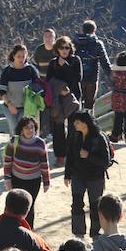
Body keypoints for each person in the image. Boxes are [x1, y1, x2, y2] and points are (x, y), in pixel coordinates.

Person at [64, 110, 110, 238]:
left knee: (95, 206)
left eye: (77, 122)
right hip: (78, 176)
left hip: (95, 178)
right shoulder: (75, 135)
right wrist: (67, 174)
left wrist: (88, 156)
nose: (74, 124)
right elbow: (70, 157)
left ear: (86, 123)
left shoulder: (99, 137)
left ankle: (95, 232)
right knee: (76, 204)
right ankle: (78, 233)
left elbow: (105, 162)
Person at [3, 116, 50, 229]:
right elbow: (7, 161)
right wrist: (7, 179)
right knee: (13, 206)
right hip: (17, 179)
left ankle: (28, 232)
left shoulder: (40, 143)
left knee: (29, 207)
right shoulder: (14, 141)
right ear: (21, 129)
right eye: (26, 128)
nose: (30, 130)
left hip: (33, 181)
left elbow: (44, 163)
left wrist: (46, 181)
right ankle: (11, 229)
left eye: (32, 127)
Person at [46, 36, 83, 167]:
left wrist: (65, 66)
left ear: (70, 48)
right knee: (58, 128)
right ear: (57, 49)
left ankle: (73, 155)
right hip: (58, 100)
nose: (64, 50)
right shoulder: (53, 63)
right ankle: (60, 156)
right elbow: (49, 82)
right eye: (61, 47)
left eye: (67, 47)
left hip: (73, 98)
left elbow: (77, 78)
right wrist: (59, 90)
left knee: (74, 127)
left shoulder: (75, 60)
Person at [0, 44, 42, 136]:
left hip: (26, 108)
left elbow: (38, 87)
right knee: (14, 132)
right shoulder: (7, 71)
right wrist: (9, 104)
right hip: (10, 107)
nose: (21, 59)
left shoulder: (31, 70)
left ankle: (25, 149)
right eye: (19, 56)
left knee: (25, 132)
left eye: (23, 56)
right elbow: (2, 91)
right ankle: (14, 149)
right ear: (13, 56)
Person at [73, 19, 112, 112]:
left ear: (82, 29)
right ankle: (88, 123)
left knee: (77, 103)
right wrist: (112, 77)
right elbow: (105, 62)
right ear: (94, 30)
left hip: (77, 78)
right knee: (89, 106)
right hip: (92, 78)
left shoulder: (74, 43)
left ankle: (75, 124)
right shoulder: (97, 43)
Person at [33, 28, 57, 138]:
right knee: (43, 108)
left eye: (50, 36)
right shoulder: (39, 50)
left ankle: (53, 131)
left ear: (54, 37)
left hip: (55, 82)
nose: (47, 38)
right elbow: (34, 65)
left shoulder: (58, 49)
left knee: (55, 106)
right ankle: (43, 131)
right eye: (45, 36)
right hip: (42, 83)